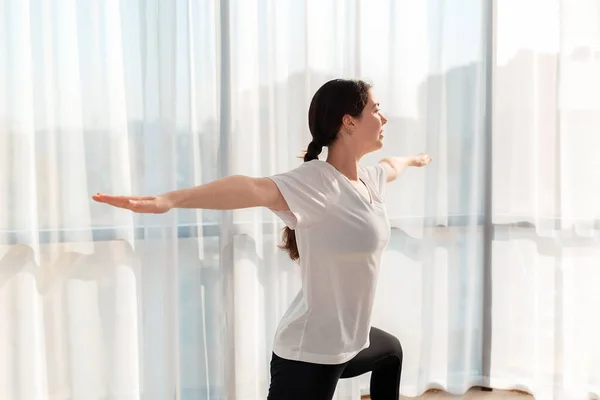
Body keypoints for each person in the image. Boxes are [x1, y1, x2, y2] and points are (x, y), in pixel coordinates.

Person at [93, 78, 431, 399]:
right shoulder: (318, 182)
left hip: (351, 340)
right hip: (310, 353)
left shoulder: (369, 182)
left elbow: (391, 165)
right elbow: (252, 188)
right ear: (349, 122)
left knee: (391, 352)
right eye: (375, 109)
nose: (383, 117)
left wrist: (414, 160)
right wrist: (171, 200)